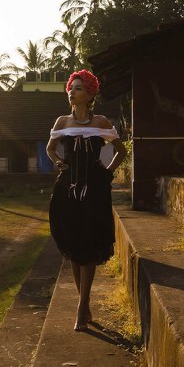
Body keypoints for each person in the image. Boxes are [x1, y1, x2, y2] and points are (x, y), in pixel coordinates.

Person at [46, 70, 127, 331]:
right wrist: (58, 161)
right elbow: (50, 148)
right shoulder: (62, 121)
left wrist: (107, 173)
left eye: (78, 88)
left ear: (90, 94)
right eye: (71, 87)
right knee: (72, 246)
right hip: (67, 191)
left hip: (94, 190)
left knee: (89, 244)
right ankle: (84, 305)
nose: (72, 91)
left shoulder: (102, 122)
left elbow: (120, 151)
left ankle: (82, 308)